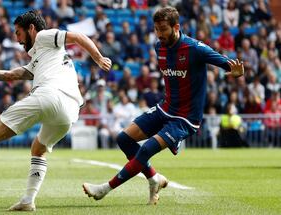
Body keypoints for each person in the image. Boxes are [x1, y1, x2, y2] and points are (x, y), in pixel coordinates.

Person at [0, 10, 112, 211]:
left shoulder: (44, 36)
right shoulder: (40, 58)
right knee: (38, 149)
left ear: (31, 28)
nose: (17, 39)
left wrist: (98, 58)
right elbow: (10, 75)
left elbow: (78, 37)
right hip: (70, 112)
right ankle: (28, 200)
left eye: (18, 32)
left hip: (49, 95)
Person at [82, 6, 244, 205]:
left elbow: (229, 65)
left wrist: (236, 72)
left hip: (185, 118)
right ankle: (154, 178)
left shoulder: (195, 48)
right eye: (156, 29)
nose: (159, 34)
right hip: (165, 108)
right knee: (124, 138)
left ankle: (104, 189)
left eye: (163, 29)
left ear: (176, 27)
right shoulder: (159, 47)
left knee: (146, 150)